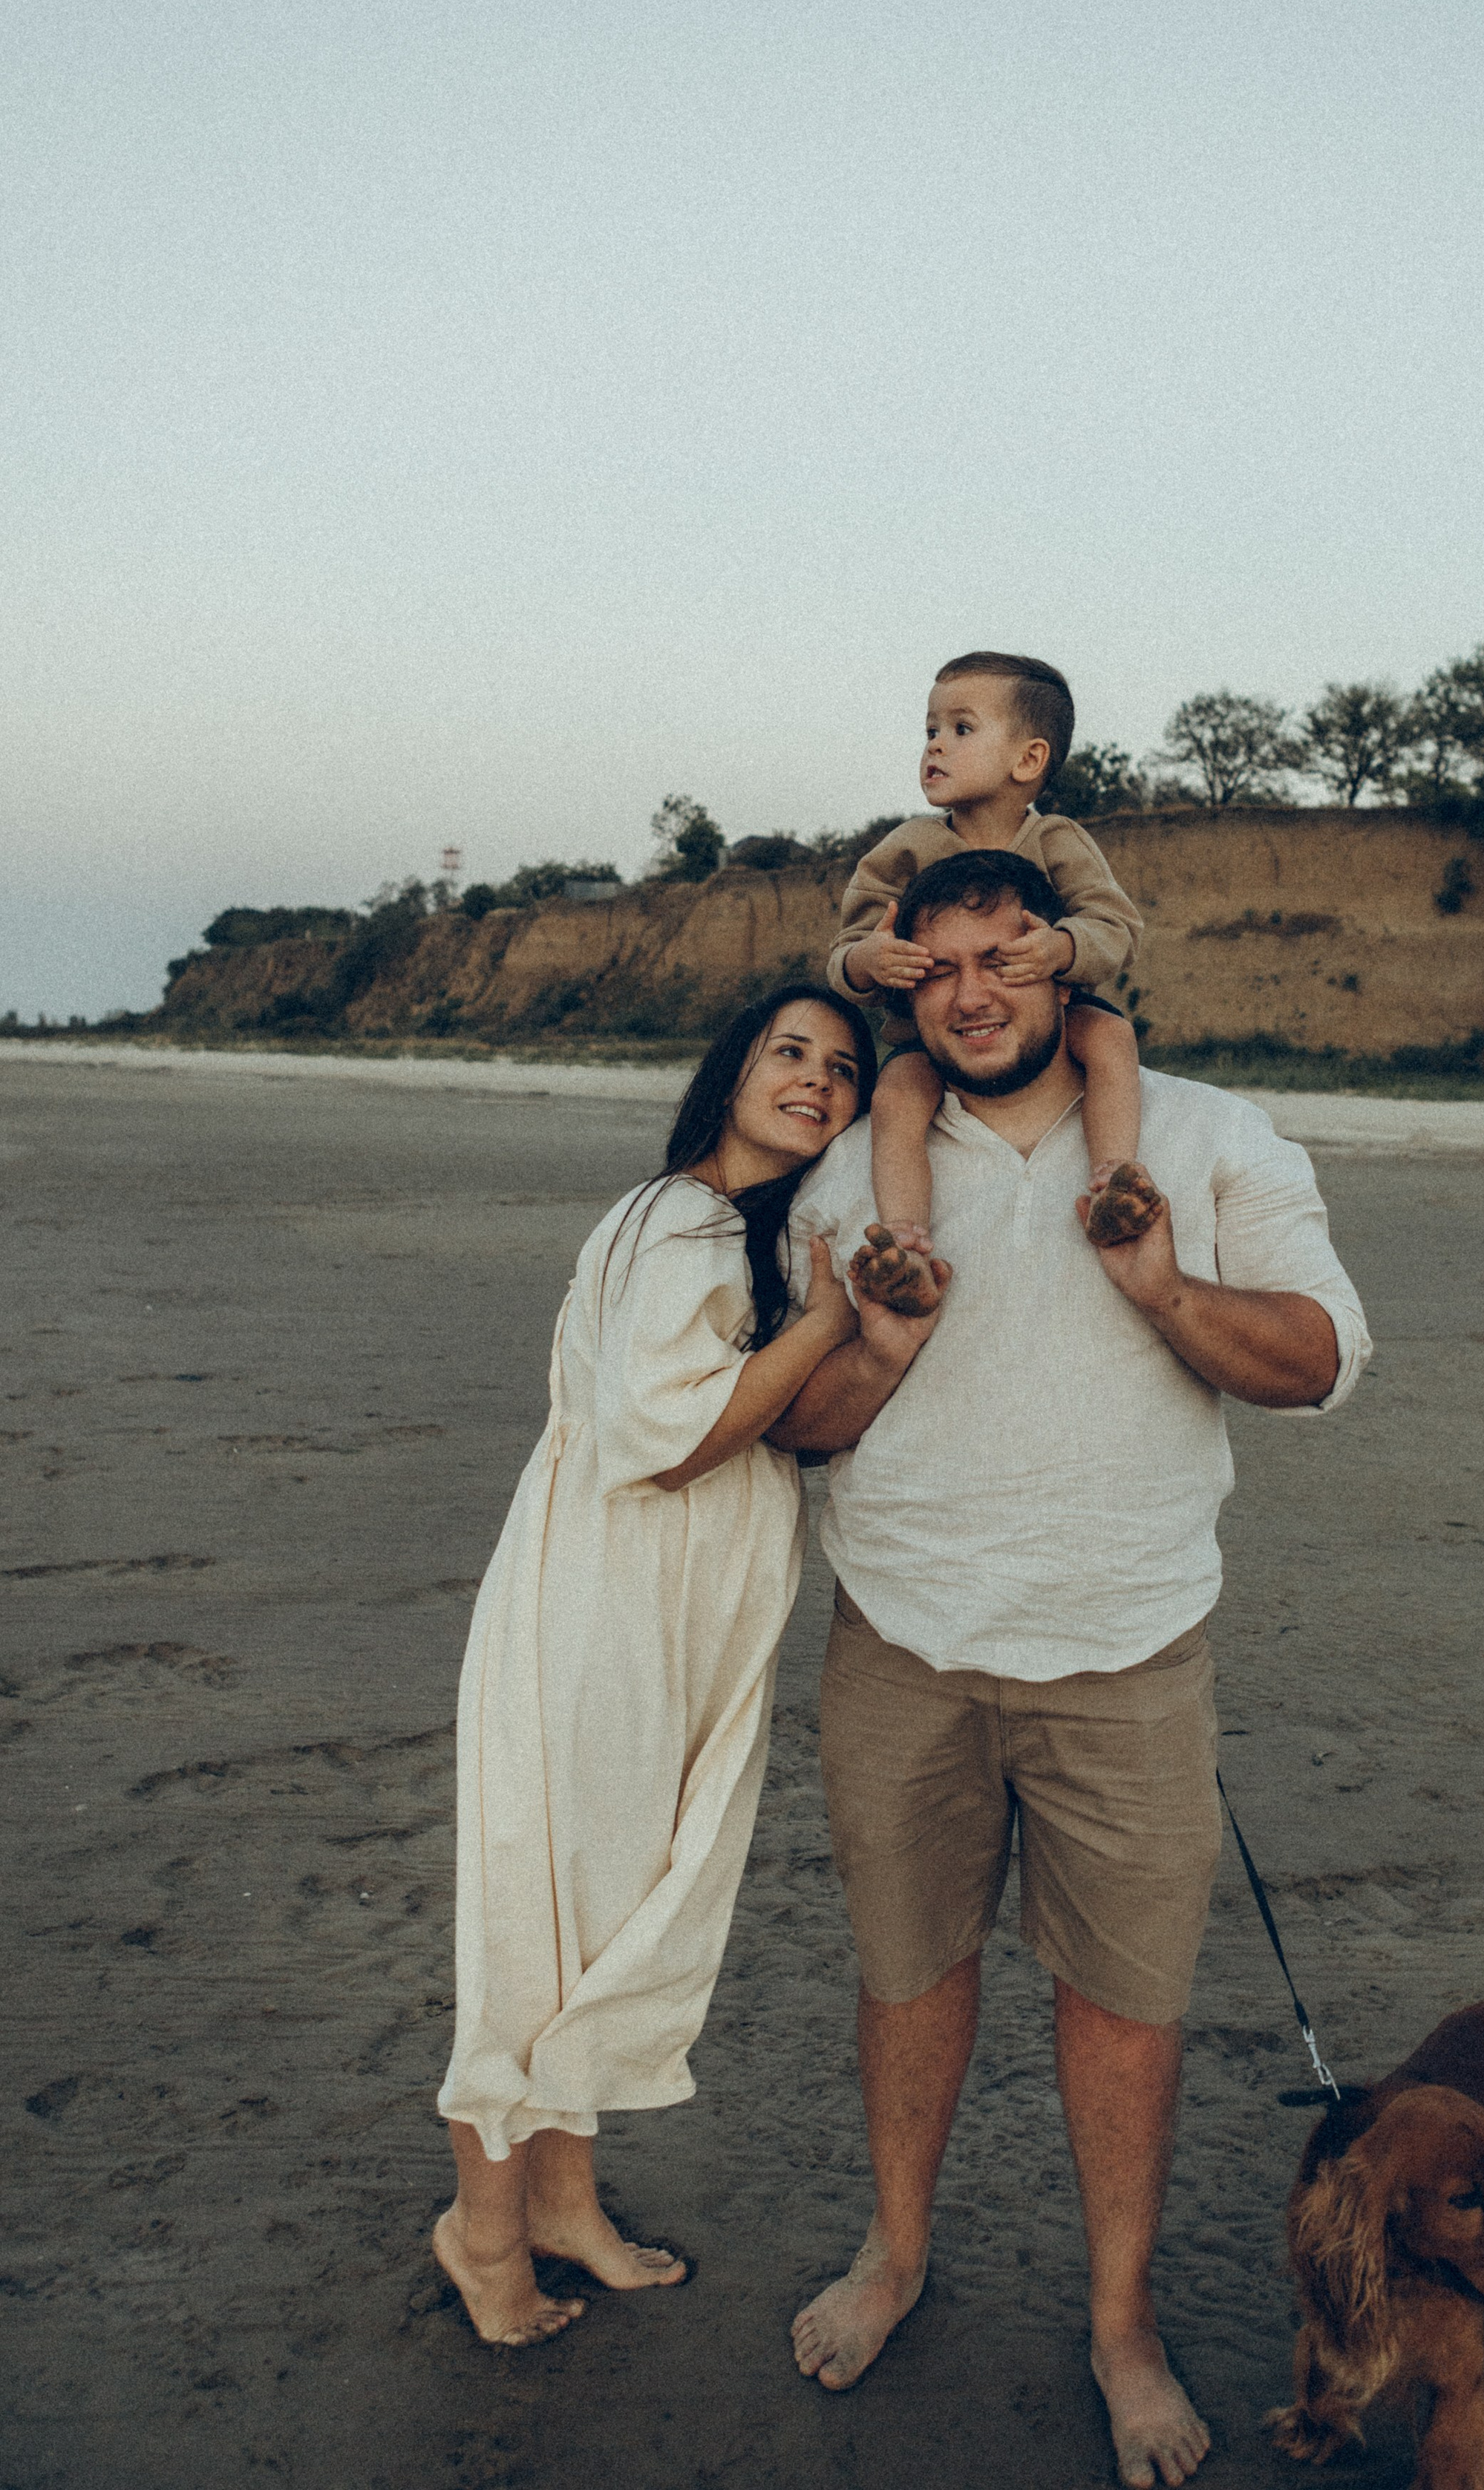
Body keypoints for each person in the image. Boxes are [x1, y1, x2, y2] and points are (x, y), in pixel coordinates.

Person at [777, 852, 1371, 2490]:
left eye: (1003, 959)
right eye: (939, 963)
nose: (971, 991)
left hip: (1127, 1653)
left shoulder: (1203, 1137)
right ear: (903, 977)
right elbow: (799, 1429)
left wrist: (1162, 1284)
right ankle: (894, 2255)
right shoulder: (849, 1176)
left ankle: (1120, 2323)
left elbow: (1319, 1359)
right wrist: (881, 1345)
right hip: (901, 1640)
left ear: (1065, 970)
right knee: (908, 1978)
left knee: (1123, 2012)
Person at [432, 986, 939, 2348]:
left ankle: (564, 2204)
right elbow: (672, 1441)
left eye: (842, 1069)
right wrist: (827, 1325)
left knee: (603, 1900)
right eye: (790, 1054)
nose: (819, 1082)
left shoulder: (733, 1235)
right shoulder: (679, 1223)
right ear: (729, 1075)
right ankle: (485, 2234)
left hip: (660, 1618)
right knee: (546, 1919)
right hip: (605, 1616)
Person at [828, 650, 1151, 1311]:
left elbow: (1115, 925)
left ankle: (1114, 1180)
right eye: (930, 732)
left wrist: (1062, 948)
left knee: (1113, 1042)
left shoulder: (1057, 840)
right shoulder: (908, 847)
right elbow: (847, 948)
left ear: (1028, 760)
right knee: (896, 1097)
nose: (935, 746)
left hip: (1051, 1017)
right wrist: (871, 961)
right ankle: (906, 1241)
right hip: (933, 1036)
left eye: (960, 729)